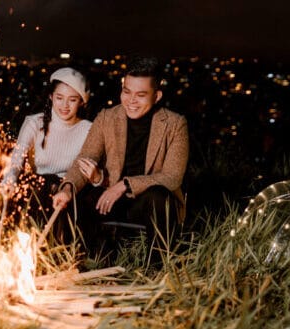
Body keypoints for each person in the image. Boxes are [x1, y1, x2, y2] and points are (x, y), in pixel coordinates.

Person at [52, 57, 189, 264]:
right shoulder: (107, 117)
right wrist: (68, 188)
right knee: (76, 197)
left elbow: (172, 177)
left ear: (157, 96)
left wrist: (124, 185)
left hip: (146, 202)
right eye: (127, 92)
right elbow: (85, 159)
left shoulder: (175, 124)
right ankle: (88, 263)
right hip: (109, 200)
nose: (131, 101)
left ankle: (158, 270)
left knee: (159, 197)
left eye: (140, 95)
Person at [1, 67, 92, 241]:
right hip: (39, 187)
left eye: (72, 100)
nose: (64, 106)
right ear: (51, 97)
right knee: (36, 193)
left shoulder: (87, 129)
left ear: (81, 102)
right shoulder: (34, 123)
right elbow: (17, 158)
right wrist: (10, 178)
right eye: (59, 98)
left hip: (71, 189)